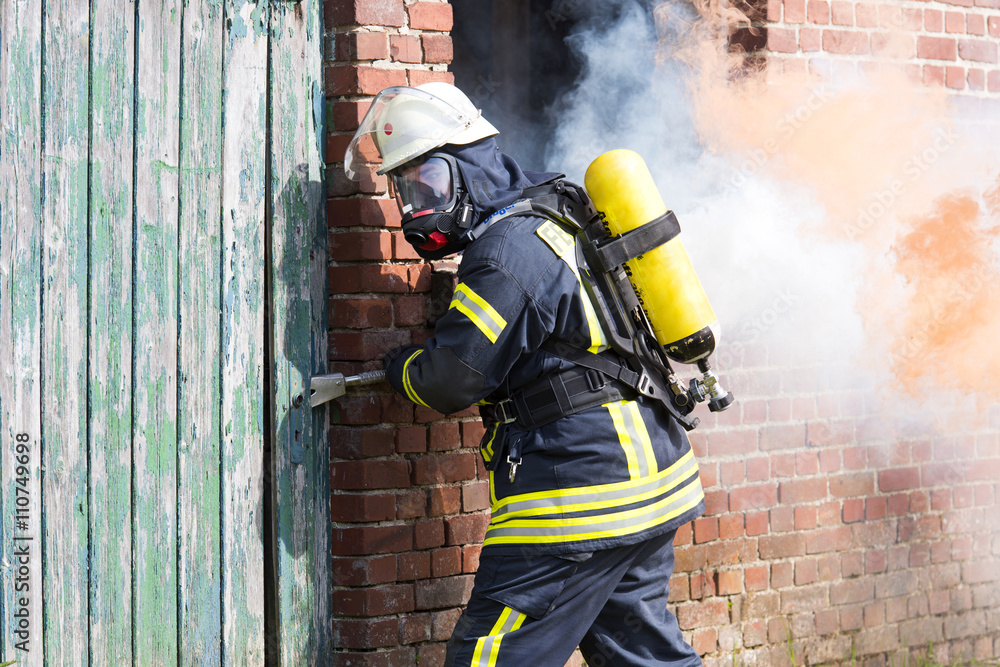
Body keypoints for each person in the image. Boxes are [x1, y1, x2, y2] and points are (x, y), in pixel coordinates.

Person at [344, 82, 705, 666]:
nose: (417, 205)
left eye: (428, 181)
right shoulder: (553, 215)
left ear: (469, 167)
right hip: (655, 482)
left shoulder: (504, 252)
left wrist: (399, 367)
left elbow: (449, 380)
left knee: (489, 657)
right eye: (405, 189)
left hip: (579, 499)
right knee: (644, 657)